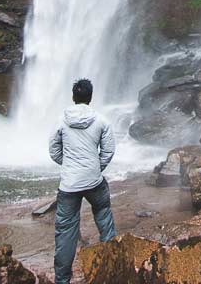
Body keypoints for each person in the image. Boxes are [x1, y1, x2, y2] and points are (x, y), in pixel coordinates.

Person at [49, 78, 117, 284]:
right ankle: (111, 265)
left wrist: (69, 165)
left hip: (69, 184)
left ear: (73, 97)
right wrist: (95, 167)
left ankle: (62, 280)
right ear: (90, 97)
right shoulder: (102, 121)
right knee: (104, 217)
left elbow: (53, 150)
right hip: (95, 181)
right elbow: (109, 151)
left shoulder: (61, 120)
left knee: (65, 232)